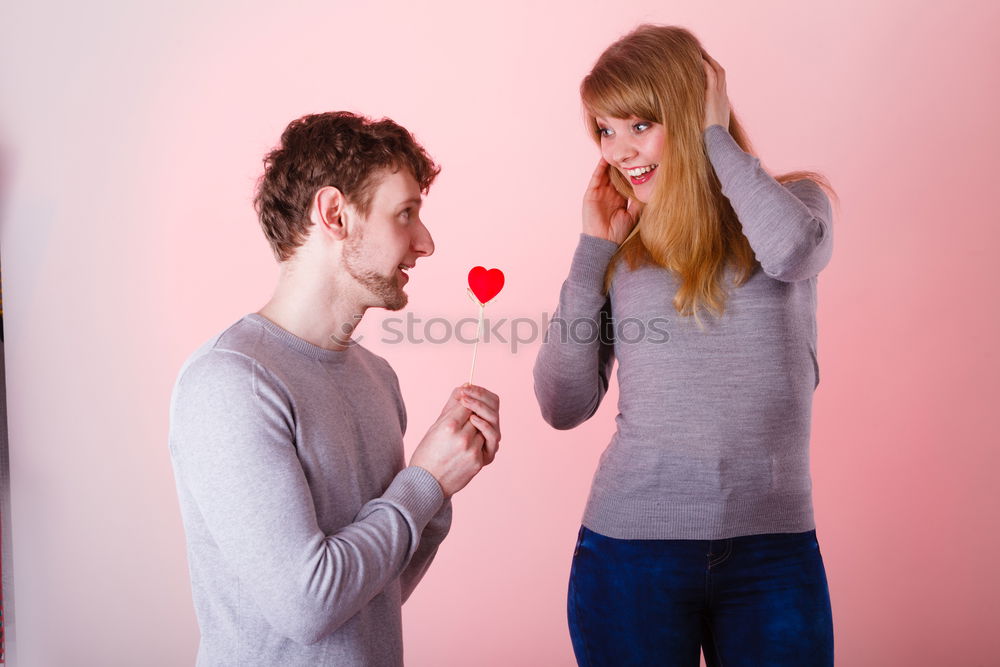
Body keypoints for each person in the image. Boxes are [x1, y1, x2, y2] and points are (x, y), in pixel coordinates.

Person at [532, 25, 836, 666]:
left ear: (695, 110)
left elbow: (789, 252)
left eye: (640, 125)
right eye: (604, 131)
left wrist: (715, 138)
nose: (620, 151)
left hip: (773, 551)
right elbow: (562, 403)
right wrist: (593, 253)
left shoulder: (798, 206)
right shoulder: (623, 250)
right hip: (631, 554)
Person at [168, 111, 501, 666]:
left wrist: (441, 490)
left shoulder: (377, 377)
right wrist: (425, 482)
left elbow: (374, 597)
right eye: (405, 213)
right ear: (334, 214)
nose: (426, 242)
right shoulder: (231, 383)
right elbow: (311, 605)